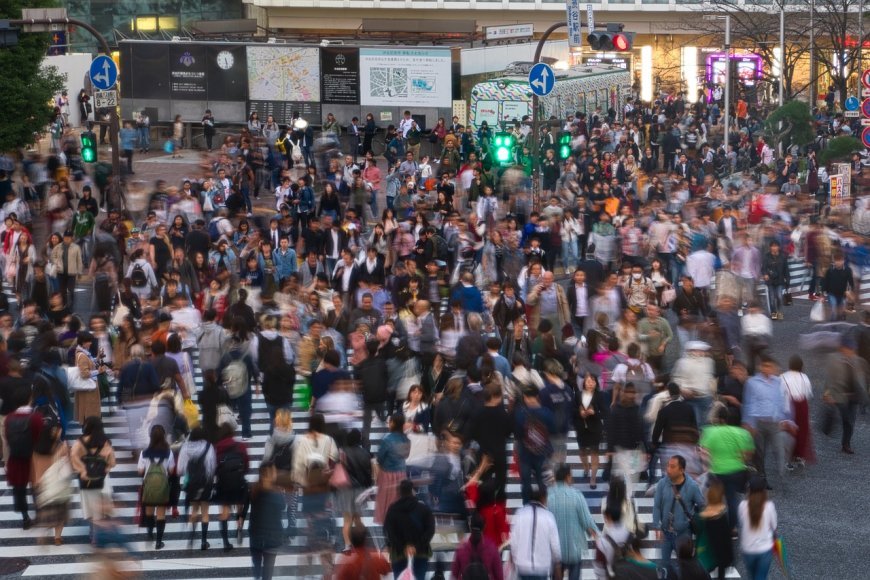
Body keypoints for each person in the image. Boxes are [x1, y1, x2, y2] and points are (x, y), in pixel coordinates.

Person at [699, 405, 753, 534]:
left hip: (716, 472)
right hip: (736, 471)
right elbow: (748, 454)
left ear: (718, 419)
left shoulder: (709, 432)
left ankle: (713, 526)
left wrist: (706, 468)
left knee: (713, 499)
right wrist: (741, 462)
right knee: (732, 499)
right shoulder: (742, 433)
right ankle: (733, 528)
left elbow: (704, 452)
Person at [742, 355, 792, 487]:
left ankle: (782, 476)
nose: (770, 369)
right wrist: (749, 423)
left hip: (774, 423)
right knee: (760, 453)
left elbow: (780, 401)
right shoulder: (752, 383)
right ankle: (762, 478)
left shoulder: (778, 382)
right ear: (761, 367)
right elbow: (749, 403)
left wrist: (783, 419)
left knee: (779, 449)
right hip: (759, 423)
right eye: (767, 366)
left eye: (772, 366)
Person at [547, 464, 598, 580]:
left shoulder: (547, 496)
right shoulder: (576, 496)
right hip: (573, 549)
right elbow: (587, 521)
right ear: (567, 477)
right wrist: (597, 537)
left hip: (555, 552)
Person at [652, 455, 705, 562]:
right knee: (664, 566)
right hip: (665, 533)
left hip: (683, 534)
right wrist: (656, 526)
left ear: (681, 470)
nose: (668, 469)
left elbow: (702, 505)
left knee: (684, 565)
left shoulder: (692, 486)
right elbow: (657, 506)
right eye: (668, 466)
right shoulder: (662, 483)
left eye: (672, 467)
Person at [383, 479, 435, 580]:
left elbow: (389, 532)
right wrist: (416, 546)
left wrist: (402, 547)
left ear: (399, 492)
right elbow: (430, 530)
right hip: (420, 552)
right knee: (419, 577)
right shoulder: (424, 509)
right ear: (412, 491)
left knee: (400, 577)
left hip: (399, 553)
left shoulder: (393, 510)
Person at [509, 484, 562, 579]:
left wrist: (514, 558)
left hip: (522, 566)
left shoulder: (520, 514)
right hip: (542, 567)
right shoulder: (549, 517)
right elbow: (555, 545)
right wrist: (557, 563)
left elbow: (514, 542)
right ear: (543, 498)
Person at [177, 426, 217, 550]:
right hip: (205, 482)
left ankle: (191, 536)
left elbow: (180, 469)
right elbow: (212, 465)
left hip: (191, 483)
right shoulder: (208, 446)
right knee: (205, 511)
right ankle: (204, 541)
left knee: (194, 509)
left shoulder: (185, 447)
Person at [70, 416, 116, 522]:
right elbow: (112, 462)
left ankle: (93, 532)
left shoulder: (79, 443)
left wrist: (82, 470)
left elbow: (73, 458)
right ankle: (101, 530)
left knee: (90, 509)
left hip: (86, 480)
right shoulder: (105, 442)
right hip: (102, 479)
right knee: (102, 507)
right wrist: (106, 468)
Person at [138, 424, 175, 550]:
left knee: (149, 512)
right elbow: (171, 470)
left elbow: (140, 470)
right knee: (161, 513)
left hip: (148, 485)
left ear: (151, 437)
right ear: (164, 436)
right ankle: (159, 542)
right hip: (162, 486)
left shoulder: (144, 453)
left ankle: (149, 533)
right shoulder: (168, 452)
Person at [214, 422, 250, 552]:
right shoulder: (240, 446)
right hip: (238, 482)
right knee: (241, 502)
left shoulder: (217, 447)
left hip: (223, 483)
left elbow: (214, 467)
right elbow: (246, 465)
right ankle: (239, 524)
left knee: (224, 511)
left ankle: (225, 542)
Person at [248, 462, 284, 580]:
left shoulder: (253, 490)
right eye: (273, 472)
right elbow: (282, 508)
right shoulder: (277, 493)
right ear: (269, 475)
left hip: (255, 535)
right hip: (272, 537)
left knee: (257, 566)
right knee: (268, 572)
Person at [778, 355, 815, 468]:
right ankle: (800, 456)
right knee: (802, 432)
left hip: (789, 406)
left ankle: (787, 459)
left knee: (789, 432)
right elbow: (808, 393)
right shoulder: (804, 377)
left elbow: (780, 394)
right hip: (803, 406)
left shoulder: (783, 377)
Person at [738, 477, 778, 580]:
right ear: (764, 491)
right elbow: (774, 526)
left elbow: (741, 523)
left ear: (749, 490)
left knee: (751, 576)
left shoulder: (742, 506)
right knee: (761, 577)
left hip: (747, 548)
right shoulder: (769, 506)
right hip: (765, 549)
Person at [374, 413, 410, 524]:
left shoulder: (387, 439)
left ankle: (387, 522)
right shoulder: (406, 439)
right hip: (402, 474)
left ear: (393, 423)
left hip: (387, 474)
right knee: (399, 499)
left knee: (386, 501)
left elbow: (380, 458)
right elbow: (406, 455)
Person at [697, 478, 734, 580]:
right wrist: (731, 557)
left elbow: (698, 531)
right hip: (720, 553)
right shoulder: (721, 516)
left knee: (705, 571)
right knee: (720, 574)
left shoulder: (703, 515)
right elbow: (726, 538)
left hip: (706, 551)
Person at [450, 511, 504, 580]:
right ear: (484, 526)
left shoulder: (461, 547)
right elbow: (499, 576)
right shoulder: (492, 547)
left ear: (470, 526)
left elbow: (454, 575)